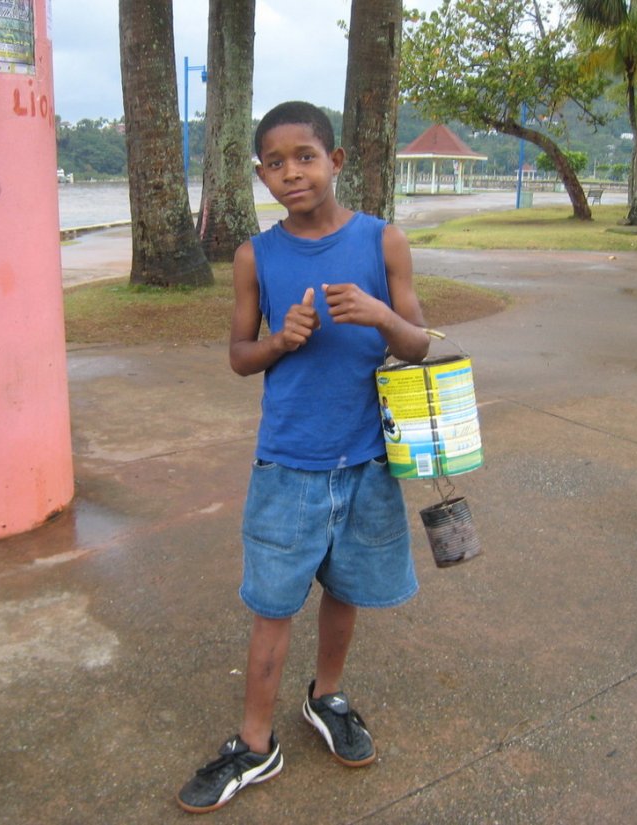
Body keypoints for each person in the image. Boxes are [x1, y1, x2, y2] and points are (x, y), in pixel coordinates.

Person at [177, 101, 431, 814]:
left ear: (336, 161)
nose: (292, 173)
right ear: (261, 174)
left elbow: (419, 341)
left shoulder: (384, 243)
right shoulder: (256, 256)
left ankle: (327, 696)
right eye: (276, 163)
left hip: (367, 461)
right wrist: (281, 340)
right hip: (287, 461)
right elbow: (236, 356)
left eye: (306, 156)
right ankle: (257, 743)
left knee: (345, 589)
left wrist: (380, 314)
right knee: (273, 602)